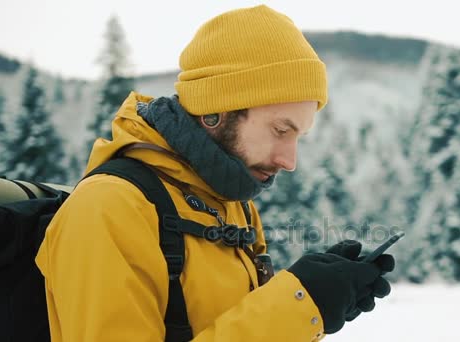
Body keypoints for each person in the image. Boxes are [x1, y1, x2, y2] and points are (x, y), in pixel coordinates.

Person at [35, 5, 395, 341]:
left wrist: (318, 295)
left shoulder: (229, 203)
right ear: (214, 112)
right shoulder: (110, 208)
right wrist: (299, 305)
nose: (290, 160)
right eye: (280, 130)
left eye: (298, 137)